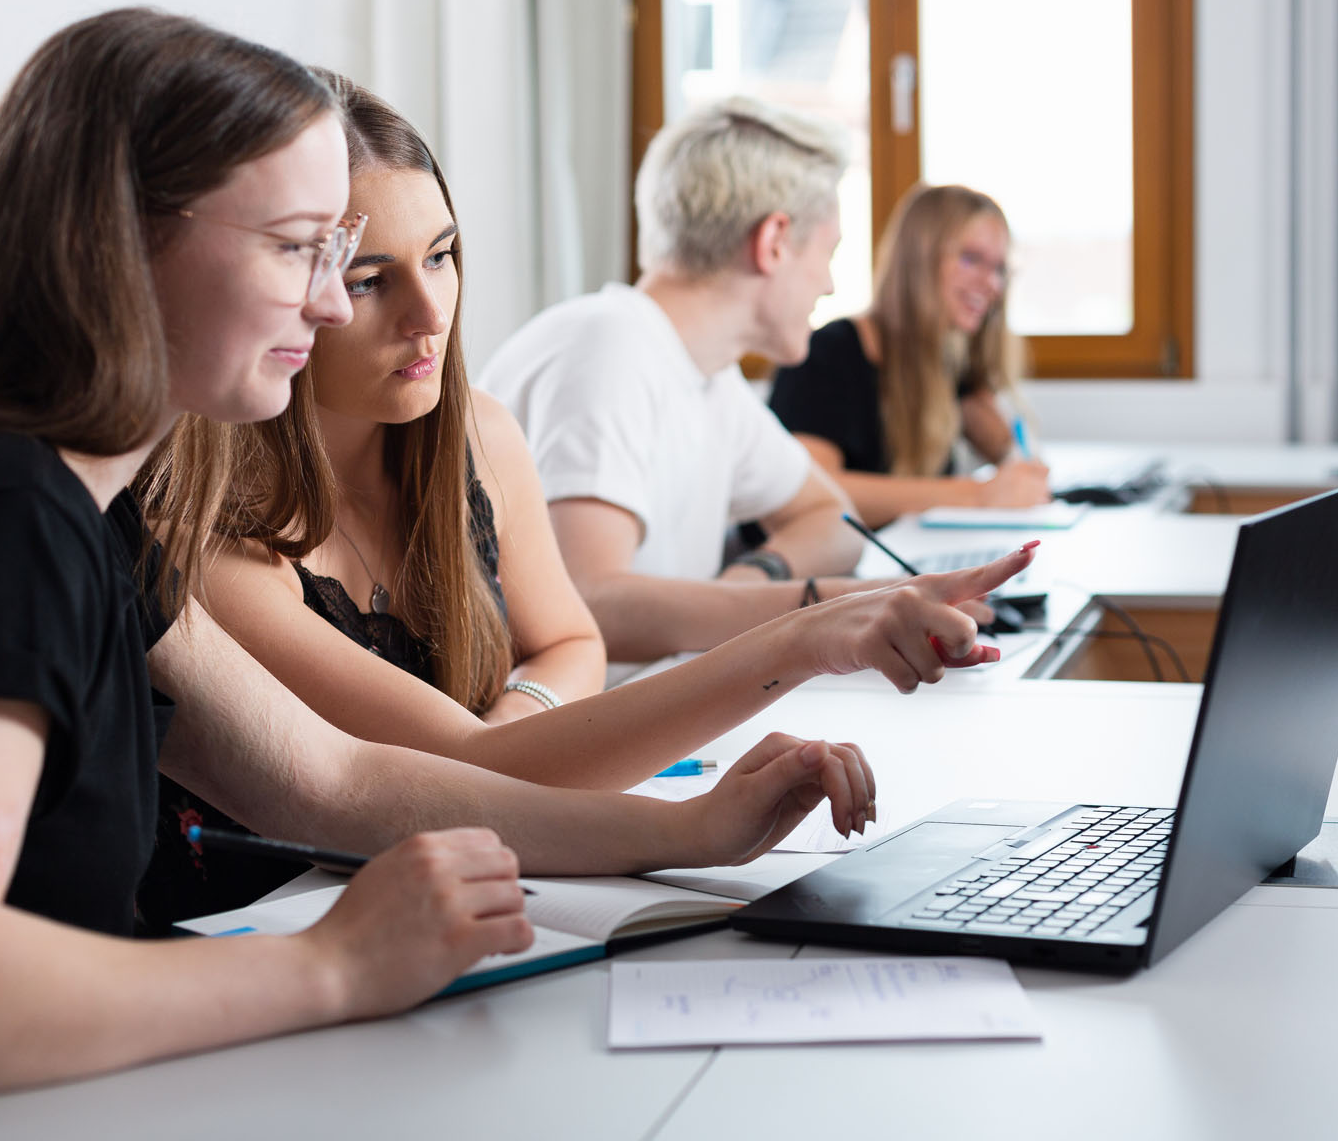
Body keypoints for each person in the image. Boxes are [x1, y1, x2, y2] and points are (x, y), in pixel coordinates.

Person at [0, 9, 904, 1119]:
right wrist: (333, 967)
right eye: (304, 248)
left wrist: (689, 832)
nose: (323, 300)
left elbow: (331, 780)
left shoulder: (84, 512)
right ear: (122, 241)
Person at [147, 74, 1029, 923]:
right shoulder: (203, 525)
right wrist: (801, 637)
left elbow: (571, 642)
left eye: (444, 256)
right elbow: (470, 765)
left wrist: (526, 712)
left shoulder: (478, 437)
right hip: (268, 927)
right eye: (371, 279)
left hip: (448, 889)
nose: (430, 314)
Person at [481, 97, 965, 682]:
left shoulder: (708, 375)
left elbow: (832, 518)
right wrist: (827, 609)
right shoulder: (609, 348)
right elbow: (588, 603)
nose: (831, 282)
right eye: (829, 253)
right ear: (775, 242)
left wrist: (751, 579)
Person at [768, 183, 1053, 526]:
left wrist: (1014, 460)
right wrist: (978, 495)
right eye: (970, 259)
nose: (993, 284)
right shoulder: (830, 353)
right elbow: (813, 492)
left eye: (999, 269)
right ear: (919, 259)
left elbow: (1001, 436)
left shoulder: (945, 361)